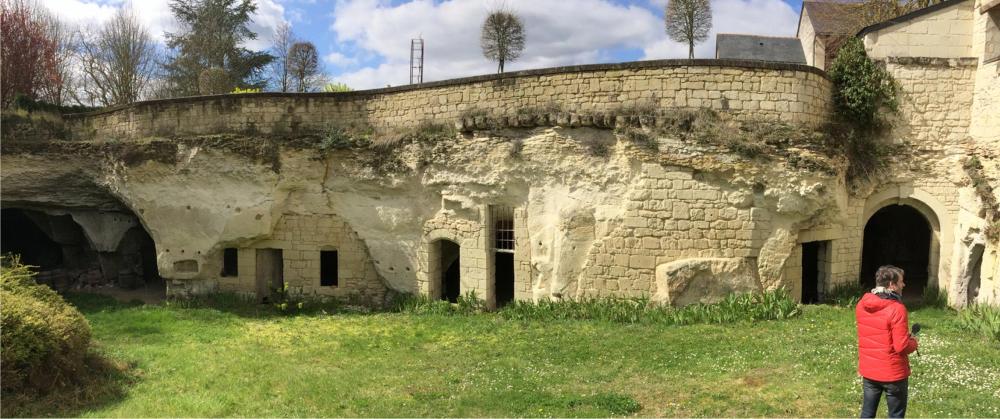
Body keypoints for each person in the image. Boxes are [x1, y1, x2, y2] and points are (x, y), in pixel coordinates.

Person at [856, 265, 919, 418]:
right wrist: (914, 342)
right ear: (892, 284)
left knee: (867, 413)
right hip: (893, 374)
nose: (903, 285)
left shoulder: (861, 305)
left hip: (869, 370)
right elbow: (901, 346)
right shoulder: (897, 308)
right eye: (901, 282)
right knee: (896, 416)